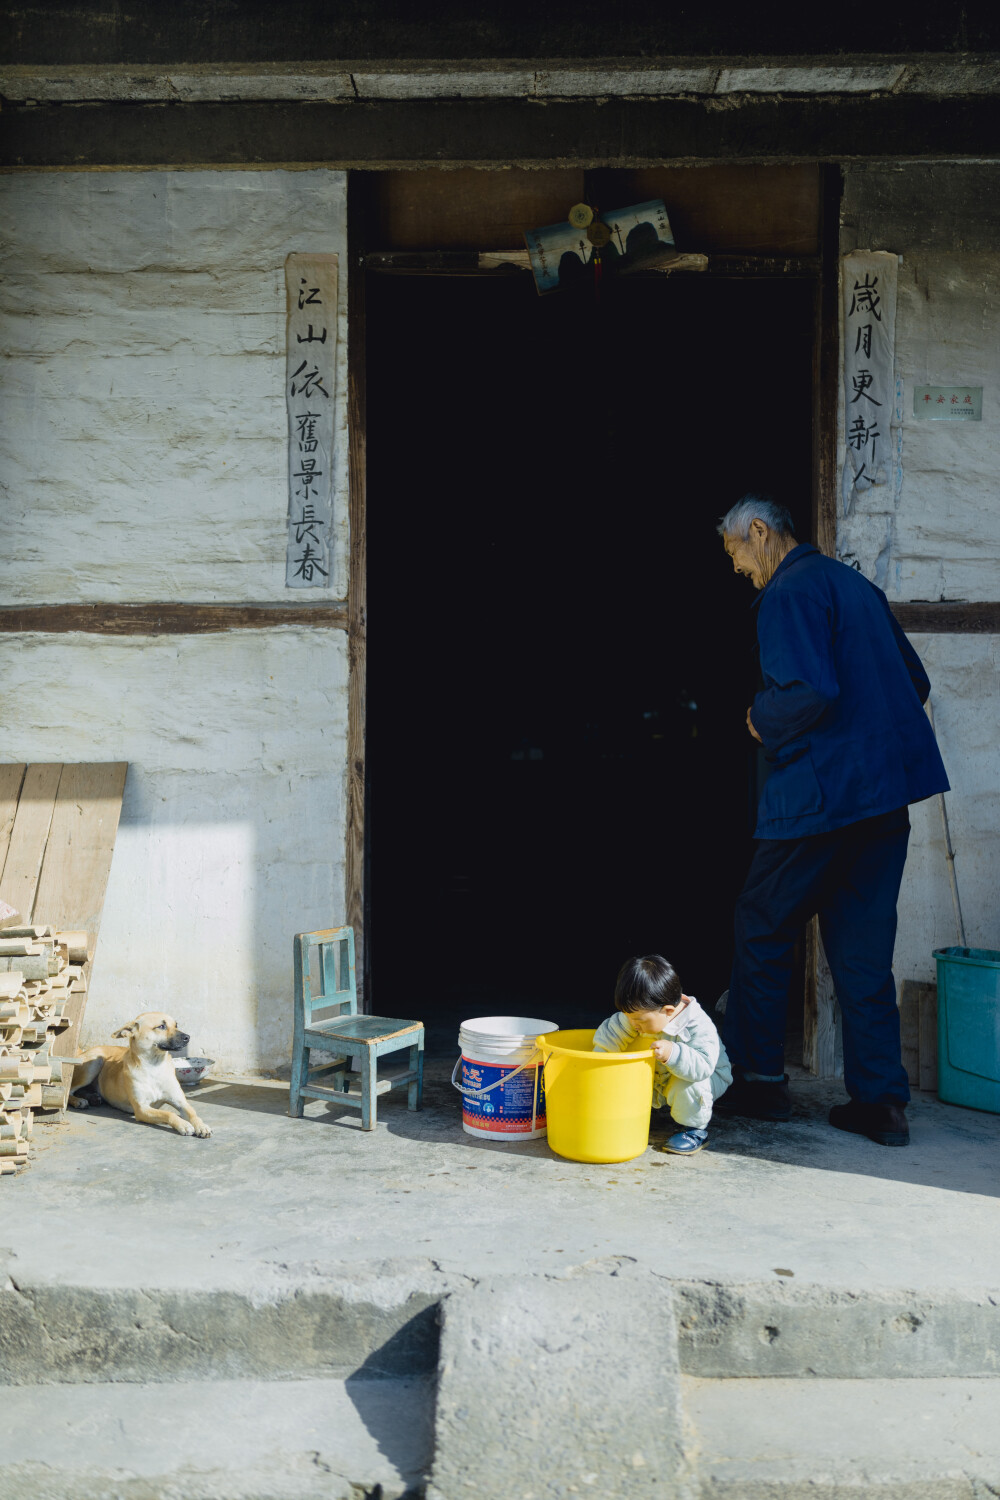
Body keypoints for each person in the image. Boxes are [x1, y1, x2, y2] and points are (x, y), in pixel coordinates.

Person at [716, 495, 949, 1146]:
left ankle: (759, 1083)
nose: (738, 568)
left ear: (759, 533)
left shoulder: (789, 591)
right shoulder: (855, 586)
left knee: (761, 927)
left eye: (735, 552)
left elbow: (808, 691)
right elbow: (916, 683)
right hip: (881, 801)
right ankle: (880, 1105)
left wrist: (762, 717)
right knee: (862, 953)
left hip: (820, 799)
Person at [594, 955, 733, 1155]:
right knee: (625, 1052)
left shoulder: (698, 1025)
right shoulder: (641, 1013)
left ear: (668, 1010)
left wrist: (673, 1053)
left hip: (706, 1077)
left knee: (686, 1084)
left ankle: (694, 1130)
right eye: (629, 1016)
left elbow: (703, 1066)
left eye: (638, 1020)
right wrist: (598, 1061)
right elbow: (613, 1030)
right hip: (661, 1075)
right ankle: (638, 1112)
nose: (633, 1024)